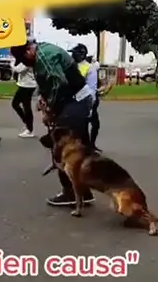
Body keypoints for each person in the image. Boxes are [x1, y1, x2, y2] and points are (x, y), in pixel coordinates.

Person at [9, 40, 95, 207]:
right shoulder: (42, 52)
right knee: (79, 148)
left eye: (24, 60)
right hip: (78, 100)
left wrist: (50, 109)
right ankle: (83, 192)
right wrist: (42, 97)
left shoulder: (44, 57)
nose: (26, 64)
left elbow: (58, 84)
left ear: (28, 51)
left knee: (62, 147)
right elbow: (46, 81)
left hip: (75, 101)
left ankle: (71, 192)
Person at [71, 44, 102, 149]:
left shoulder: (88, 67)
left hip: (86, 99)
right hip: (77, 100)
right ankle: (87, 146)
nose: (72, 55)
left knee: (93, 124)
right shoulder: (73, 66)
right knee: (83, 125)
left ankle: (90, 145)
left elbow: (92, 87)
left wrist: (91, 104)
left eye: (74, 53)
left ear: (81, 55)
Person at [10, 56, 37, 138]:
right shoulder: (28, 59)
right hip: (26, 85)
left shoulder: (28, 60)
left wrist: (12, 63)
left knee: (21, 105)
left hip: (27, 86)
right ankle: (28, 125)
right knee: (21, 105)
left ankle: (29, 128)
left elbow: (18, 69)